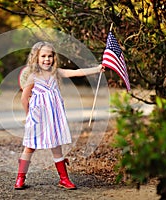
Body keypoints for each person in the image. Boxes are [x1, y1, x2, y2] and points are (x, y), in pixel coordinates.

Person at [14, 41, 104, 190]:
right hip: (38, 118)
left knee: (57, 147)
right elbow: (24, 98)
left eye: (50, 56)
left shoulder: (56, 73)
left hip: (53, 118)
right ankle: (20, 178)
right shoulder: (32, 77)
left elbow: (77, 72)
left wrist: (97, 69)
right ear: (36, 58)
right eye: (43, 56)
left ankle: (64, 179)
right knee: (29, 147)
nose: (47, 59)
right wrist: (29, 116)